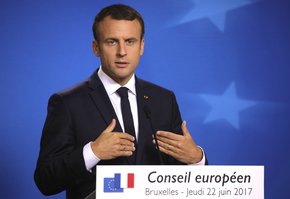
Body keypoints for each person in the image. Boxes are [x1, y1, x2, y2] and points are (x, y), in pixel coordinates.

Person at [34, 4, 207, 199]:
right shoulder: (67, 103)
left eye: (130, 41)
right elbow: (45, 180)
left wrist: (196, 159)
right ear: (96, 48)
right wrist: (93, 152)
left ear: (141, 46)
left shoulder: (164, 99)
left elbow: (183, 179)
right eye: (112, 42)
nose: (122, 51)